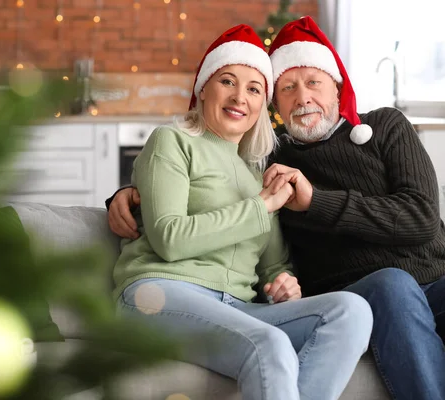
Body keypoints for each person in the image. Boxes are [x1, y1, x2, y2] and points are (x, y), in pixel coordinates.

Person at [108, 16, 445, 400]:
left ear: (336, 87)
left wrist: (282, 281)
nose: (302, 98)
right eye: (287, 87)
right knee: (284, 337)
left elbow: (419, 219)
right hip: (166, 292)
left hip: (422, 282)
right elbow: (171, 227)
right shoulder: (256, 158)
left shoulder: (270, 164)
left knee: (352, 312)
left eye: (313, 82)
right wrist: (130, 194)